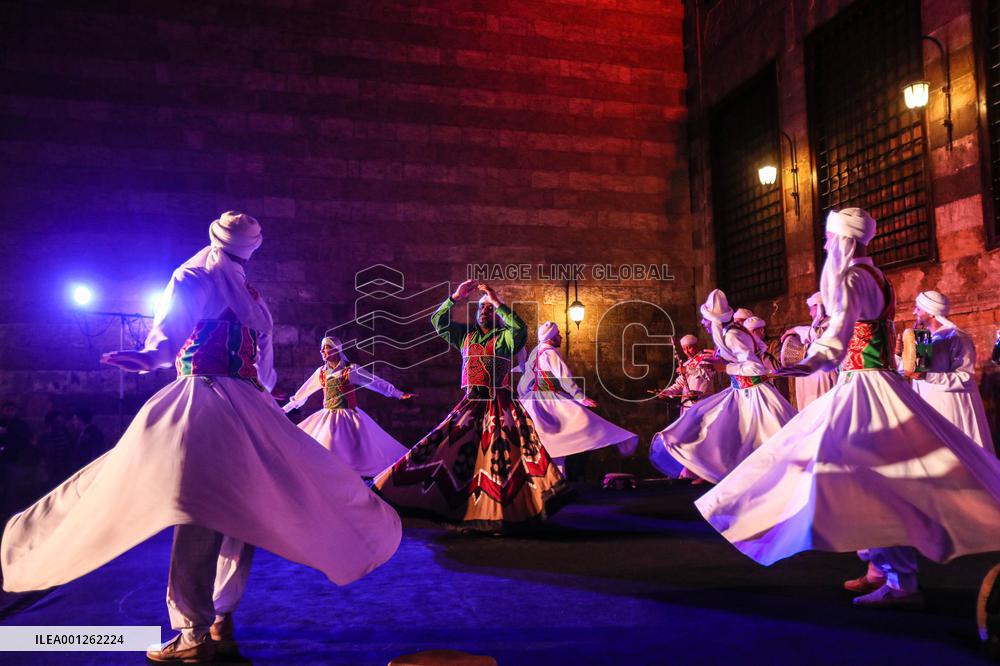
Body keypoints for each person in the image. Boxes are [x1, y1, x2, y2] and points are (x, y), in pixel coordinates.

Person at [0, 212, 401, 662]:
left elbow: (170, 334)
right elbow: (264, 371)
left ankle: (192, 633)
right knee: (240, 512)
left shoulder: (192, 275)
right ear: (251, 248)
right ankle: (220, 616)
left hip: (204, 402)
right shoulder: (254, 297)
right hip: (249, 405)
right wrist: (262, 401)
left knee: (197, 511)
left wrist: (152, 356)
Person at [695, 208, 1000, 609]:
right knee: (866, 475)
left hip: (865, 386)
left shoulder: (854, 277)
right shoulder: (877, 277)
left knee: (866, 475)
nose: (824, 244)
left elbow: (839, 336)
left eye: (828, 237)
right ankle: (881, 567)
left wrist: (806, 364)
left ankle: (899, 580)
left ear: (845, 239)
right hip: (873, 383)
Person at [374, 280, 564, 532]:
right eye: (481, 309)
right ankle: (462, 510)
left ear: (495, 314)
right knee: (454, 453)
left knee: (499, 460)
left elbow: (520, 329)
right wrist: (455, 297)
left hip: (499, 405)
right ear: (475, 314)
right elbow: (438, 322)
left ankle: (499, 514)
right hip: (472, 405)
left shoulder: (504, 338)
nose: (485, 312)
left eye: (489, 310)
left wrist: (496, 301)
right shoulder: (466, 336)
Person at [648, 290, 796, 484]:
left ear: (715, 320)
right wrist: (718, 361)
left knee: (769, 437)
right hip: (741, 392)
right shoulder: (730, 333)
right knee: (718, 429)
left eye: (705, 320)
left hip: (753, 394)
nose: (703, 323)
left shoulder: (732, 335)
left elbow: (756, 367)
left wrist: (723, 366)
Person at [282, 336, 415, 477]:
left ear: (336, 350)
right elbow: (303, 392)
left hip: (349, 417)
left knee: (356, 455)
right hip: (328, 417)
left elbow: (374, 382)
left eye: (326, 348)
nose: (322, 351)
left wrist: (398, 394)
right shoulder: (321, 373)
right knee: (322, 448)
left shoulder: (350, 370)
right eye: (322, 348)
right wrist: (285, 409)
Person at [517, 321, 638, 476]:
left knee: (547, 444)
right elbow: (564, 377)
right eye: (558, 334)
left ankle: (550, 479)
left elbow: (526, 378)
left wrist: (523, 396)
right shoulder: (550, 353)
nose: (561, 337)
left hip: (533, 401)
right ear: (551, 338)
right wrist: (579, 396)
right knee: (582, 423)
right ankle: (620, 439)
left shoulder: (536, 351)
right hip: (549, 401)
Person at [903, 291, 993, 450]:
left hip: (950, 407)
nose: (914, 312)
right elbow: (913, 370)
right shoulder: (923, 338)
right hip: (928, 405)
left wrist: (927, 376)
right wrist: (900, 355)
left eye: (918, 308)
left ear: (931, 312)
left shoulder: (957, 336)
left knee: (958, 452)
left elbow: (964, 377)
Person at [782, 292, 838, 409]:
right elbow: (812, 333)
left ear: (819, 307)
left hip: (823, 373)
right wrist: (795, 330)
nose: (810, 313)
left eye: (811, 309)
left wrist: (796, 329)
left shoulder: (831, 323)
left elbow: (818, 336)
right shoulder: (819, 325)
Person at [653, 334, 717, 414]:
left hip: (704, 404)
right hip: (687, 406)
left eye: (689, 348)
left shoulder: (707, 359)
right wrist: (667, 392)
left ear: (697, 345)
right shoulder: (687, 364)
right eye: (684, 349)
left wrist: (687, 370)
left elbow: (708, 374)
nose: (687, 352)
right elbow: (679, 384)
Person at [36, 410, 73, 483]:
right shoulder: (44, 437)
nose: (60, 424)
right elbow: (42, 453)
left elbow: (69, 451)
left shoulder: (66, 434)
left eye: (61, 422)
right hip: (50, 469)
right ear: (51, 423)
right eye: (57, 422)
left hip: (63, 468)